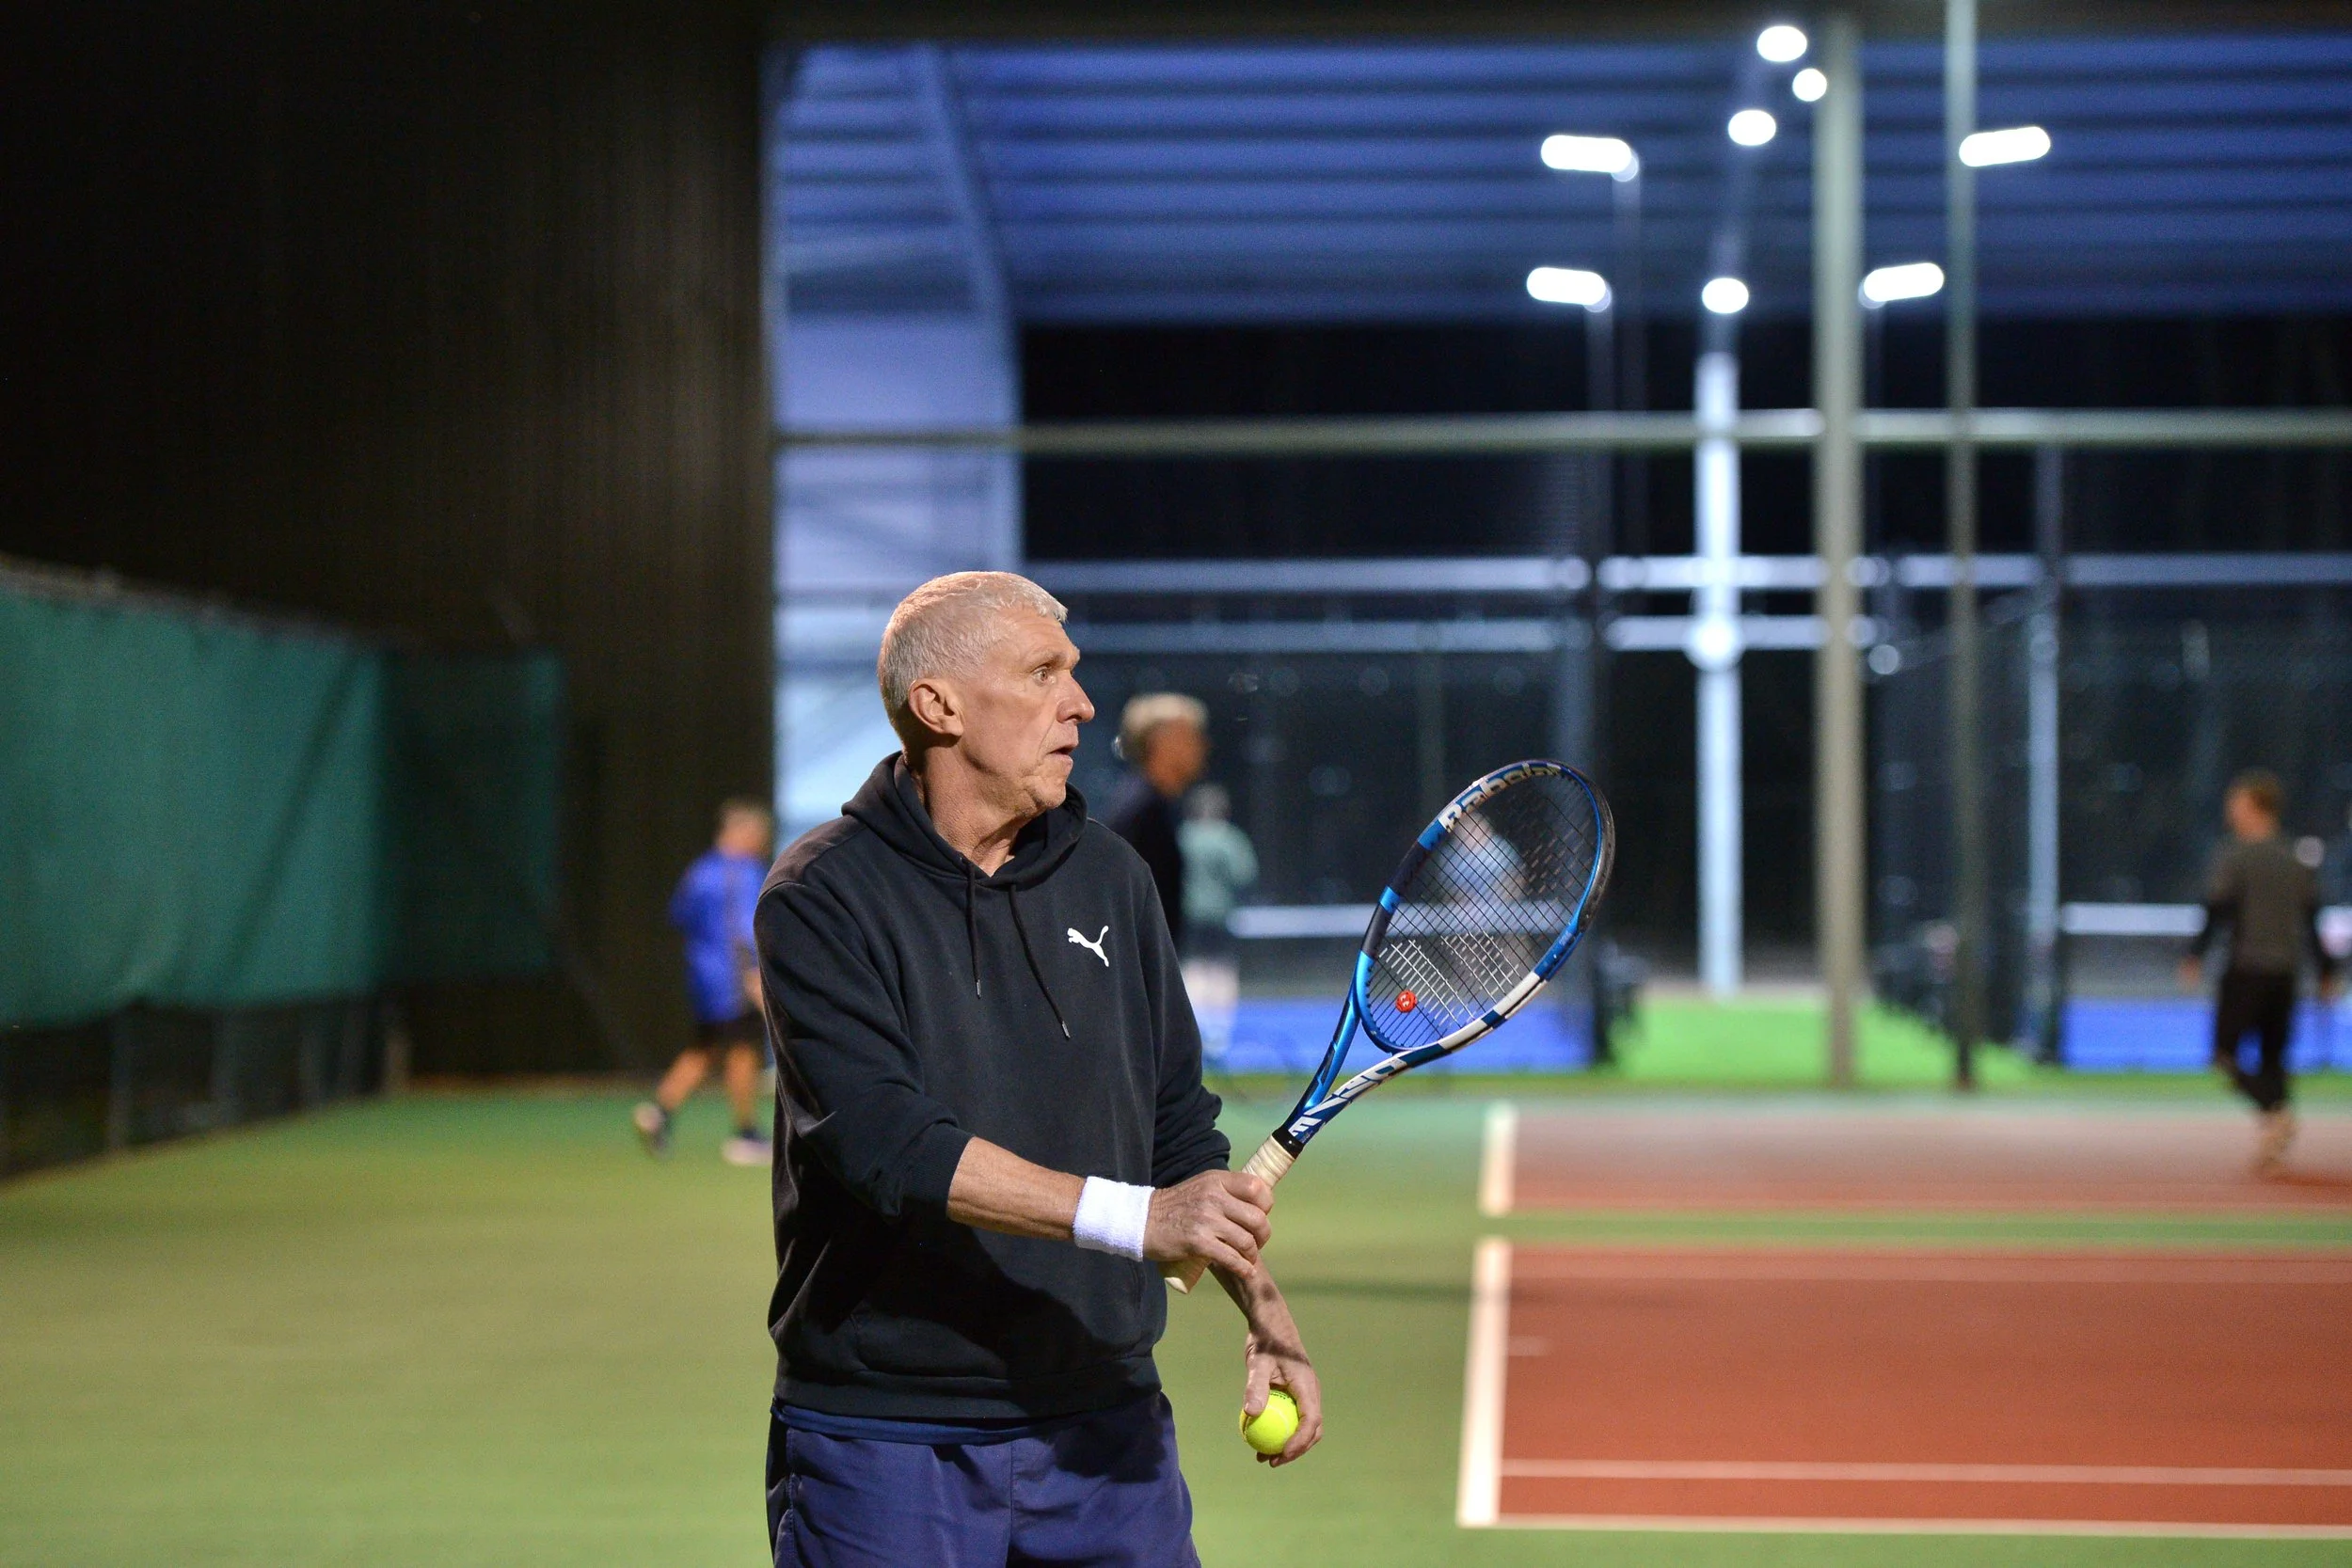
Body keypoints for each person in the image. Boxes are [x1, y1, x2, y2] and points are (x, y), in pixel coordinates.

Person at [753, 572, 1320, 1566]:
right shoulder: (819, 896)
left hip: (1107, 1431)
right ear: (940, 705)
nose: (1081, 703)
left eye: (1075, 674)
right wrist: (1137, 1216)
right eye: (1043, 672)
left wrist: (1262, 1307)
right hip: (889, 1440)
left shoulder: (1112, 874)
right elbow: (888, 1143)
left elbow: (1177, 1127)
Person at [2179, 770, 2341, 1170]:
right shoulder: (2298, 860)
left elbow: (2217, 909)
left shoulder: (2236, 856)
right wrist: (2326, 970)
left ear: (2255, 807)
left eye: (2237, 804)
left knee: (2224, 1053)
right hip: (2286, 974)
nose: (2230, 812)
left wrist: (2195, 954)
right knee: (2273, 1059)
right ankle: (2274, 1134)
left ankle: (2273, 1112)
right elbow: (2313, 919)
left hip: (2247, 969)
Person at [635, 799, 775, 1166]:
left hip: (702, 975)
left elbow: (679, 916)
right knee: (743, 1048)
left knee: (707, 1046)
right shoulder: (744, 871)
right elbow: (748, 928)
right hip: (733, 978)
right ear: (742, 832)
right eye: (758, 834)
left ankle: (660, 1111)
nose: (761, 842)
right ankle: (745, 1134)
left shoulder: (699, 871)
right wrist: (753, 975)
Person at [1103, 692, 1209, 946]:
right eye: (1192, 736)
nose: (1203, 746)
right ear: (1162, 742)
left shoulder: (1152, 805)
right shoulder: (1141, 811)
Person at [1178, 784, 1257, 1066]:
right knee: (1222, 970)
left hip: (1187, 915)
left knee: (1193, 969)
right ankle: (1218, 1035)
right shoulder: (1230, 839)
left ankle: (1194, 1029)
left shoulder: (1182, 837)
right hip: (1220, 915)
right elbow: (1244, 875)